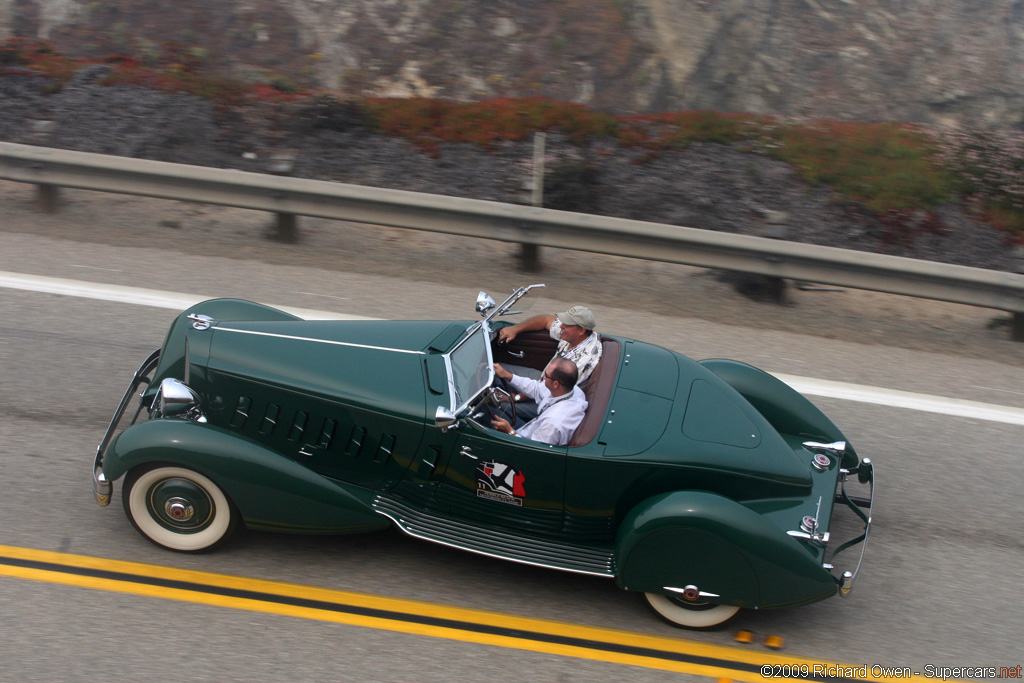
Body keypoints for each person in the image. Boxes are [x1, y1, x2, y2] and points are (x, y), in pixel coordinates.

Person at [496, 306, 602, 388]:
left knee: (497, 406)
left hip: (548, 399)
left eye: (567, 324)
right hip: (543, 380)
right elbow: (545, 320)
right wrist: (515, 329)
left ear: (581, 330)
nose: (561, 326)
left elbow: (552, 390)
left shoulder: (582, 361)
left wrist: (516, 397)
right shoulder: (575, 334)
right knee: (492, 370)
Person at [490, 358, 588, 447]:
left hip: (522, 441)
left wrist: (509, 432)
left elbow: (534, 449)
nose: (543, 378)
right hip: (529, 428)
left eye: (546, 375)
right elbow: (536, 388)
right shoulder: (572, 390)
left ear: (555, 384)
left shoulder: (552, 424)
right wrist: (508, 376)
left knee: (489, 408)